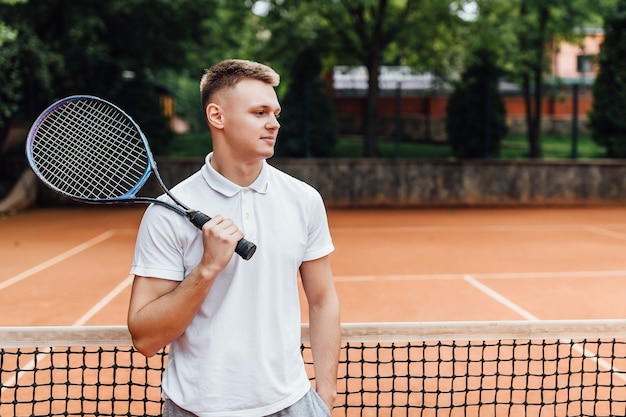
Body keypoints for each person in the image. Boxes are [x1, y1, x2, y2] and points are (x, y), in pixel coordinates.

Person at [127, 59, 341, 417]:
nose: (274, 123)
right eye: (259, 112)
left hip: (293, 403)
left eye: (275, 112)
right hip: (198, 408)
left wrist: (326, 395)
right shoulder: (166, 214)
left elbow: (322, 300)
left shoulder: (304, 200)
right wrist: (207, 268)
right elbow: (146, 338)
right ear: (217, 116)